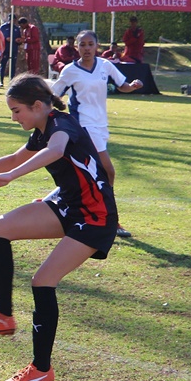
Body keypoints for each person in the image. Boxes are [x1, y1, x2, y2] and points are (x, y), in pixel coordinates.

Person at [0, 74, 119, 381]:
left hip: (95, 216)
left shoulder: (61, 125)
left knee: (42, 281)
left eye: (16, 110)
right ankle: (3, 317)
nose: (13, 117)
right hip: (66, 205)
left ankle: (40, 369)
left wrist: (11, 177)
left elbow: (56, 151)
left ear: (37, 106)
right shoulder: (43, 126)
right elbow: (19, 156)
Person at [51, 30, 142, 238]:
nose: (86, 48)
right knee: (108, 172)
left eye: (90, 44)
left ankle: (58, 199)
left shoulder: (105, 65)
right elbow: (54, 94)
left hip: (101, 126)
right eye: (82, 44)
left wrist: (134, 86)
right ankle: (112, 220)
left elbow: (123, 86)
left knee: (89, 172)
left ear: (97, 46)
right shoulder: (70, 70)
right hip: (83, 126)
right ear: (77, 47)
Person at [0, 15, 20, 83]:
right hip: (5, 49)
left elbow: (19, 39)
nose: (12, 21)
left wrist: (18, 40)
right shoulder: (3, 27)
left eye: (14, 20)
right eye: (11, 20)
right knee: (3, 64)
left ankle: (12, 80)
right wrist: (5, 39)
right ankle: (1, 80)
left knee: (13, 65)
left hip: (14, 49)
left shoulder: (16, 28)